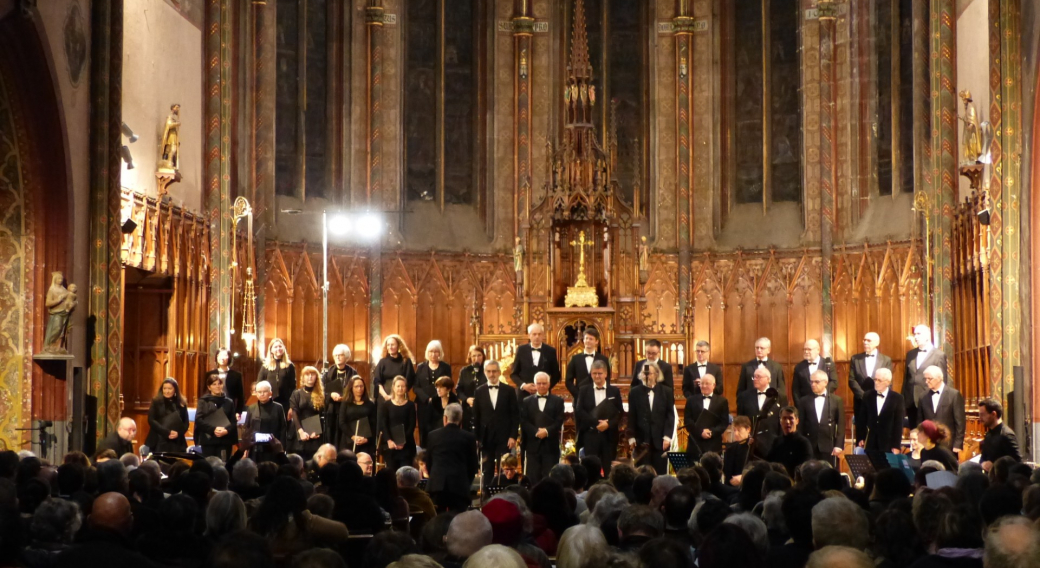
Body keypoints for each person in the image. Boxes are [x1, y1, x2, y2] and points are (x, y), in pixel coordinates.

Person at [472, 360, 520, 490]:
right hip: (486, 437)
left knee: (504, 467)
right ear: (485, 372)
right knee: (487, 469)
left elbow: (515, 416)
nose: (491, 374)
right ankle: (487, 498)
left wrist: (513, 436)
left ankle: (503, 495)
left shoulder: (509, 390)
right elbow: (476, 417)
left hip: (504, 437)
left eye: (494, 371)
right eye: (489, 371)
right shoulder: (479, 391)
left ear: (499, 372)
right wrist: (476, 438)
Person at [574, 360, 624, 475]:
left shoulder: (614, 391)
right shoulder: (584, 390)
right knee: (590, 469)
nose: (597, 376)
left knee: (608, 469)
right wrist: (596, 424)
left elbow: (620, 412)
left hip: (609, 436)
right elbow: (579, 411)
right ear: (591, 374)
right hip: (591, 435)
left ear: (606, 374)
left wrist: (608, 424)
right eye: (594, 373)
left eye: (600, 373)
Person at [426, 403, 478, 512]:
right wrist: (465, 482)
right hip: (459, 487)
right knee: (458, 522)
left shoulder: (432, 436)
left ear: (445, 418)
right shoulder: (469, 437)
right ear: (460, 418)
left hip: (437, 486)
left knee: (438, 523)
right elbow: (473, 466)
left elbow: (429, 463)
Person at [627, 362, 675, 474]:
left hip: (660, 442)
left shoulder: (666, 392)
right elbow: (632, 416)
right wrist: (631, 437)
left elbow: (670, 415)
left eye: (649, 373)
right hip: (642, 441)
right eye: (644, 373)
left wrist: (667, 437)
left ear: (656, 375)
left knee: (660, 473)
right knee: (642, 474)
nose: (646, 376)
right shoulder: (635, 392)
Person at [520, 372, 565, 484]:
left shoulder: (558, 401)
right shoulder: (526, 401)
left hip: (550, 446)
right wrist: (536, 432)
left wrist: (546, 431)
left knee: (550, 479)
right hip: (532, 446)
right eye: (538, 383)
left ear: (549, 384)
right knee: (532, 478)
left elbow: (559, 421)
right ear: (535, 384)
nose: (541, 386)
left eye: (544, 383)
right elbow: (524, 421)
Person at [848, 332, 893, 441]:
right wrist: (864, 396)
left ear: (877, 343)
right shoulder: (855, 358)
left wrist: (875, 396)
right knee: (861, 434)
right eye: (864, 340)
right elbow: (851, 380)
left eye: (869, 340)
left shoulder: (886, 360)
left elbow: (888, 381)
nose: (865, 342)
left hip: (878, 401)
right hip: (860, 401)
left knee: (878, 432)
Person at [903, 324, 949, 426]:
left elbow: (942, 381)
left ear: (928, 336)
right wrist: (904, 401)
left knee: (929, 434)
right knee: (915, 434)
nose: (916, 337)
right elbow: (906, 379)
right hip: (911, 403)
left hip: (929, 401)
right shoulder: (910, 354)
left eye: (919, 334)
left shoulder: (939, 355)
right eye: (914, 334)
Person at [736, 366, 786, 458]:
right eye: (754, 377)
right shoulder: (744, 396)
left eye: (758, 377)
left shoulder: (780, 397)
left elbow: (782, 420)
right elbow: (741, 420)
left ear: (768, 379)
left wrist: (780, 441)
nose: (755, 379)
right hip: (751, 443)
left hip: (772, 442)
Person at [796, 370, 845, 464]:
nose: (813, 384)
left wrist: (838, 445)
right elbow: (800, 425)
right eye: (811, 382)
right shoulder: (804, 401)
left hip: (829, 445)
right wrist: (800, 444)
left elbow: (841, 424)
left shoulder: (836, 400)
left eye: (816, 382)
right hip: (809, 445)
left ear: (825, 383)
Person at [918, 365, 966, 454]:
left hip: (948, 444)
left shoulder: (954, 395)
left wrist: (958, 444)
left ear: (939, 378)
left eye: (930, 379)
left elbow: (960, 422)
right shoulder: (922, 397)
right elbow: (920, 422)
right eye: (925, 379)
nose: (926, 381)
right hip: (929, 443)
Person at [857, 368, 905, 454]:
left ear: (888, 382)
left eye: (879, 380)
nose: (876, 382)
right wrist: (861, 437)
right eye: (875, 379)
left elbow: (898, 423)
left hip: (888, 444)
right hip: (870, 443)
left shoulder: (898, 398)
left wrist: (896, 445)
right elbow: (862, 419)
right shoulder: (867, 396)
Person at [510, 323, 562, 401]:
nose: (537, 337)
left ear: (543, 336)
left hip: (544, 395)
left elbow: (556, 375)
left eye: (539, 334)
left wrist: (544, 387)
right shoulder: (521, 350)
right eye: (534, 334)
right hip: (523, 395)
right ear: (529, 335)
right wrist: (524, 386)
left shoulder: (550, 351)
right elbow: (514, 374)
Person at [415, 340, 452, 447]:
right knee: (424, 432)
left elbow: (448, 385)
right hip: (424, 405)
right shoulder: (420, 367)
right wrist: (427, 399)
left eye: (436, 351)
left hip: (440, 405)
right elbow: (416, 387)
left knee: (440, 431)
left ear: (440, 353)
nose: (433, 354)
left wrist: (435, 399)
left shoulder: (445, 367)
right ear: (427, 352)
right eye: (431, 351)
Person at [322, 344, 357, 452]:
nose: (337, 357)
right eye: (335, 355)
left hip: (346, 410)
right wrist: (330, 395)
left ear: (346, 357)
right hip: (331, 410)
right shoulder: (328, 373)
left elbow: (357, 390)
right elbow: (321, 390)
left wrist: (345, 397)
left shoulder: (352, 373)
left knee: (342, 442)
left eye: (340, 355)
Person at [196, 372, 238, 459]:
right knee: (209, 466)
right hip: (209, 441)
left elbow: (233, 421)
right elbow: (198, 420)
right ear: (209, 387)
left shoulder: (229, 402)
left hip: (225, 440)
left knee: (223, 465)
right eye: (214, 384)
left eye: (219, 383)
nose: (217, 386)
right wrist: (213, 429)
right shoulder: (203, 401)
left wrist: (226, 430)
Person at [379, 376, 417, 473]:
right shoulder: (386, 405)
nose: (400, 388)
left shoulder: (410, 405)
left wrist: (402, 441)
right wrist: (389, 440)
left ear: (406, 388)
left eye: (403, 386)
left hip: (406, 445)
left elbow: (412, 425)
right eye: (398, 386)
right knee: (391, 475)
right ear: (393, 387)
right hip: (390, 445)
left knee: (405, 474)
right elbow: (384, 424)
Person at [684, 373, 729, 456]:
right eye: (702, 383)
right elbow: (688, 421)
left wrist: (711, 432)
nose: (704, 386)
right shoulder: (691, 400)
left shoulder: (722, 402)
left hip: (714, 444)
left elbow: (724, 423)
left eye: (707, 383)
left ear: (714, 385)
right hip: (695, 444)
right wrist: (700, 432)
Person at [144, 378, 189, 453]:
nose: (167, 391)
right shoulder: (156, 401)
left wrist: (178, 433)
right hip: (159, 438)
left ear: (175, 389)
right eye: (165, 388)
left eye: (170, 389)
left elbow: (185, 423)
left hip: (177, 440)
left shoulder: (181, 403)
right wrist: (167, 432)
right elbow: (151, 420)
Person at [290, 365, 326, 458]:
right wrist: (301, 431)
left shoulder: (322, 395)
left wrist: (317, 431)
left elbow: (322, 415)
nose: (310, 377)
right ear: (303, 377)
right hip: (299, 431)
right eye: (307, 374)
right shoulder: (297, 393)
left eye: (312, 374)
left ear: (316, 377)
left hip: (315, 433)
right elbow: (295, 413)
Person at [564, 327, 611, 399]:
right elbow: (568, 381)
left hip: (598, 398)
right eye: (586, 338)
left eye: (591, 339)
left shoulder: (603, 359)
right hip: (579, 400)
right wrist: (578, 395)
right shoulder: (575, 359)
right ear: (583, 340)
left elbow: (607, 379)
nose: (588, 341)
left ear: (597, 341)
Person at [247, 380, 287, 462]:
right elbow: (247, 428)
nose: (262, 394)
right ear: (256, 393)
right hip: (256, 448)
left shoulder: (278, 407)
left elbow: (283, 428)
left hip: (273, 447)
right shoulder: (251, 408)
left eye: (264, 391)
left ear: (270, 393)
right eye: (259, 392)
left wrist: (282, 448)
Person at [766, 407, 813, 477]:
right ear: (780, 421)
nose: (787, 422)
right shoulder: (777, 441)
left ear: (797, 421)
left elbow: (805, 468)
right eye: (784, 418)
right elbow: (768, 462)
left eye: (791, 418)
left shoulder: (803, 443)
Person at [977, 398, 1021, 471]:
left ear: (994, 414)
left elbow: (1017, 463)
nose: (980, 418)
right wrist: (983, 464)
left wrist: (995, 466)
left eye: (983, 415)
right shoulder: (988, 434)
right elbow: (983, 458)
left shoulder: (1006, 435)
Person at [258, 338, 296, 420]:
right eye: (275, 347)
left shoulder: (290, 366)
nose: (278, 348)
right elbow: (259, 384)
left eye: (280, 346)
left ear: (284, 348)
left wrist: (292, 406)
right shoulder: (265, 366)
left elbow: (293, 387)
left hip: (285, 403)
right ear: (271, 350)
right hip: (269, 402)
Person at [791, 339, 837, 407]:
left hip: (825, 402)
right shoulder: (799, 367)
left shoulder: (828, 364)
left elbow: (834, 382)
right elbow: (795, 390)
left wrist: (821, 392)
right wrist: (799, 406)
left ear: (818, 350)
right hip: (806, 405)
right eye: (804, 349)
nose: (806, 352)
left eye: (809, 349)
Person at [338, 375, 376, 454]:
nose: (359, 389)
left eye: (361, 386)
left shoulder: (370, 404)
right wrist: (353, 436)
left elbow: (374, 424)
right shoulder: (345, 403)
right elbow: (342, 422)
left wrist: (366, 439)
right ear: (351, 388)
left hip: (366, 442)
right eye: (356, 386)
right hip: (349, 440)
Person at [374, 334, 416, 403]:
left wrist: (398, 396)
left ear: (398, 346)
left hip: (401, 398)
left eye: (392, 345)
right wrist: (386, 396)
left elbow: (410, 381)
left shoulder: (406, 361)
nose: (390, 347)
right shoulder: (382, 362)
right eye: (388, 345)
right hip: (384, 397)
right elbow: (377, 382)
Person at [203, 348, 245, 415]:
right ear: (216, 357)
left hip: (230, 409)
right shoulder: (209, 374)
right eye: (220, 355)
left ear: (229, 358)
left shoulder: (236, 375)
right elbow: (205, 393)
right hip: (212, 409)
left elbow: (241, 396)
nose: (222, 358)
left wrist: (238, 412)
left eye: (225, 355)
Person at [457, 345, 488, 431]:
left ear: (483, 356)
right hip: (468, 408)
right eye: (474, 356)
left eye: (479, 355)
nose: (476, 358)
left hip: (484, 407)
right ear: (470, 357)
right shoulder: (464, 371)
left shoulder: (487, 370)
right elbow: (459, 389)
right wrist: (466, 399)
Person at [426, 377, 459, 441]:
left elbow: (457, 422)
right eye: (437, 387)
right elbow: (428, 421)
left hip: (452, 435)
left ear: (448, 389)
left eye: (441, 387)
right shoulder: (433, 401)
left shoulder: (455, 402)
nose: (438, 390)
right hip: (436, 434)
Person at [723, 416, 753, 486]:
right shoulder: (730, 448)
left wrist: (743, 478)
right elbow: (727, 473)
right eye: (734, 430)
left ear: (748, 429)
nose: (736, 434)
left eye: (739, 430)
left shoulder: (753, 447)